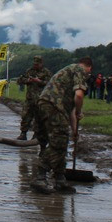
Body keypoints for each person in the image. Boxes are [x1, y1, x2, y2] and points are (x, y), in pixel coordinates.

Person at [31, 56, 92, 195]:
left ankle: (59, 178)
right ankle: (40, 175)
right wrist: (80, 110)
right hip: (53, 105)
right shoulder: (79, 70)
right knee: (58, 142)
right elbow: (79, 95)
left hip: (44, 105)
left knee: (61, 141)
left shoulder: (68, 73)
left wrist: (75, 131)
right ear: (89, 68)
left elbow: (71, 112)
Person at [16, 56, 51, 141]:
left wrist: (40, 82)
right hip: (30, 98)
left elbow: (50, 84)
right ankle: (23, 133)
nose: (35, 66)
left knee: (38, 118)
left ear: (41, 64)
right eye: (34, 64)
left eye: (37, 64)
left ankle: (36, 135)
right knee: (25, 116)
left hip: (40, 99)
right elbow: (19, 81)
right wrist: (28, 80)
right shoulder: (29, 71)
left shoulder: (46, 72)